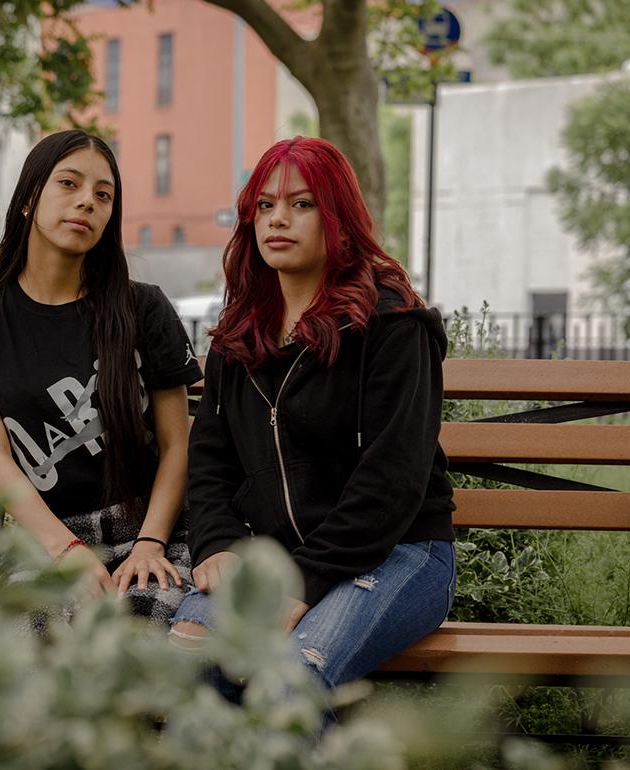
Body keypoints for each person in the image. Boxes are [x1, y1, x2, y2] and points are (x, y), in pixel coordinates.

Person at [169, 136, 456, 691]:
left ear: (339, 219)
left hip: (401, 553)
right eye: (266, 206)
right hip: (275, 556)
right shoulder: (238, 335)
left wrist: (307, 578)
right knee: (191, 665)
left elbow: (392, 478)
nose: (279, 220)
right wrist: (220, 544)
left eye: (302, 204)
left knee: (289, 681)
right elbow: (211, 459)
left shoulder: (392, 326)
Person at [0, 129, 202, 624]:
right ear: (31, 197)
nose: (86, 204)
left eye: (103, 195)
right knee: (50, 638)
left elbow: (177, 446)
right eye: (68, 184)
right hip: (38, 535)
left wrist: (150, 544)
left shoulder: (144, 310)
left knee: (151, 636)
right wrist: (65, 548)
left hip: (147, 528)